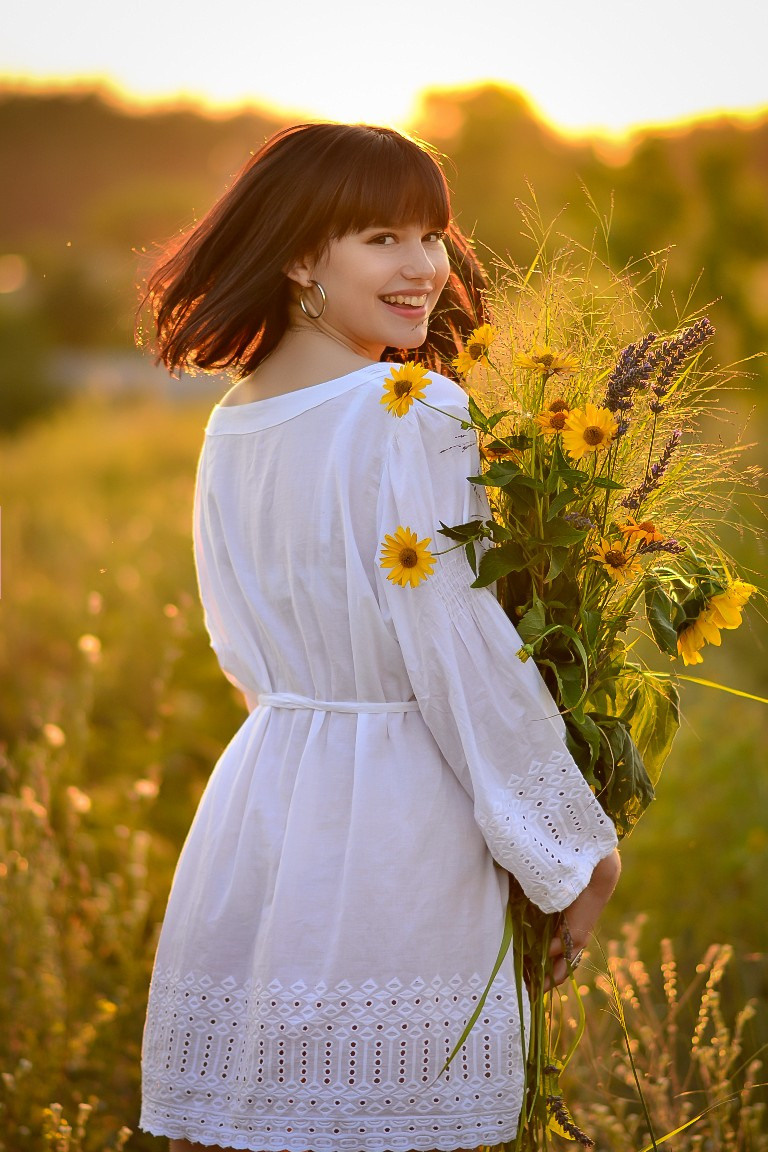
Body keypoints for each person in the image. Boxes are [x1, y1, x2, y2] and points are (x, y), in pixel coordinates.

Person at [138, 122, 621, 1152]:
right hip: (399, 823)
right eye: (380, 237)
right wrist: (573, 849)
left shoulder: (234, 421)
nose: (425, 269)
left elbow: (241, 648)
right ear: (302, 256)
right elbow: (463, 656)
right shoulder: (412, 411)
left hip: (264, 811)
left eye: (434, 236)